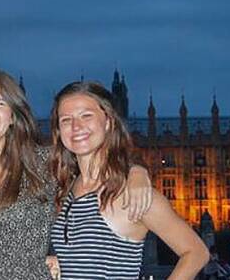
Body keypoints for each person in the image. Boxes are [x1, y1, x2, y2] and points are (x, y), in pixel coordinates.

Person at [0, 69, 153, 280]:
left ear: (13, 116)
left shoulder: (42, 165)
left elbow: (95, 156)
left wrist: (136, 171)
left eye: (0, 103)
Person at [49, 80, 209, 280]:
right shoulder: (65, 191)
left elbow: (196, 253)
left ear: (108, 122)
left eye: (86, 115)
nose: (76, 126)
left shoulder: (132, 194)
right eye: (66, 119)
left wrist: (136, 171)